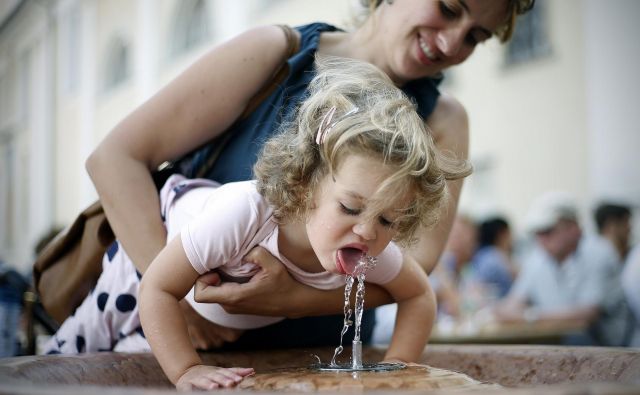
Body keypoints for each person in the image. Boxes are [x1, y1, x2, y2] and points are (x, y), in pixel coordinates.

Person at [84, 0, 534, 349]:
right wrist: (179, 302)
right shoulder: (276, 55)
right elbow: (116, 159)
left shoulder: (446, 120)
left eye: (475, 36)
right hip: (196, 350)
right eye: (449, 8)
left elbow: (415, 267)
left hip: (327, 358)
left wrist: (291, 302)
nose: (453, 43)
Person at [45, 59, 470, 390]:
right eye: (350, 207)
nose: (367, 231)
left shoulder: (365, 247)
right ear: (308, 186)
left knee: (130, 366)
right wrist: (187, 371)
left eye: (388, 219)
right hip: (148, 261)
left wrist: (398, 371)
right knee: (71, 358)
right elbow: (157, 287)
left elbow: (418, 296)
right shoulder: (246, 215)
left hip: (200, 308)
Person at [494, 191, 630, 346]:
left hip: (609, 356)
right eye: (537, 233)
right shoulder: (537, 259)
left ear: (573, 227)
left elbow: (587, 314)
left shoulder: (599, 252)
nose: (541, 239)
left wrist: (528, 317)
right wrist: (492, 310)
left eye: (547, 230)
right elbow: (513, 304)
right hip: (563, 352)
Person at [470, 216, 517, 298]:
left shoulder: (481, 254)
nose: (513, 239)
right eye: (510, 234)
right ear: (502, 234)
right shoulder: (494, 257)